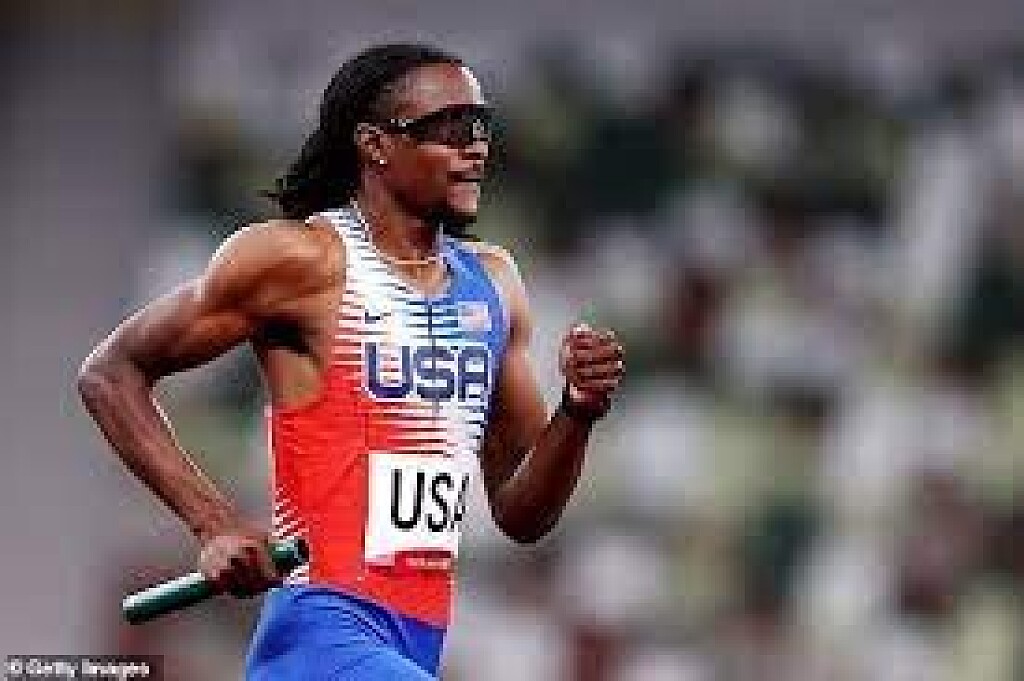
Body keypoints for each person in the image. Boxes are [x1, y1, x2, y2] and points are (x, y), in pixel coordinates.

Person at [77, 43, 624, 680]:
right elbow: (110, 374)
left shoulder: (495, 287)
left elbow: (522, 514)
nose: (476, 148)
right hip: (320, 631)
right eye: (453, 129)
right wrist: (214, 524)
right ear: (376, 144)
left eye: (482, 128)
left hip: (418, 639)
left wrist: (577, 411)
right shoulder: (300, 261)